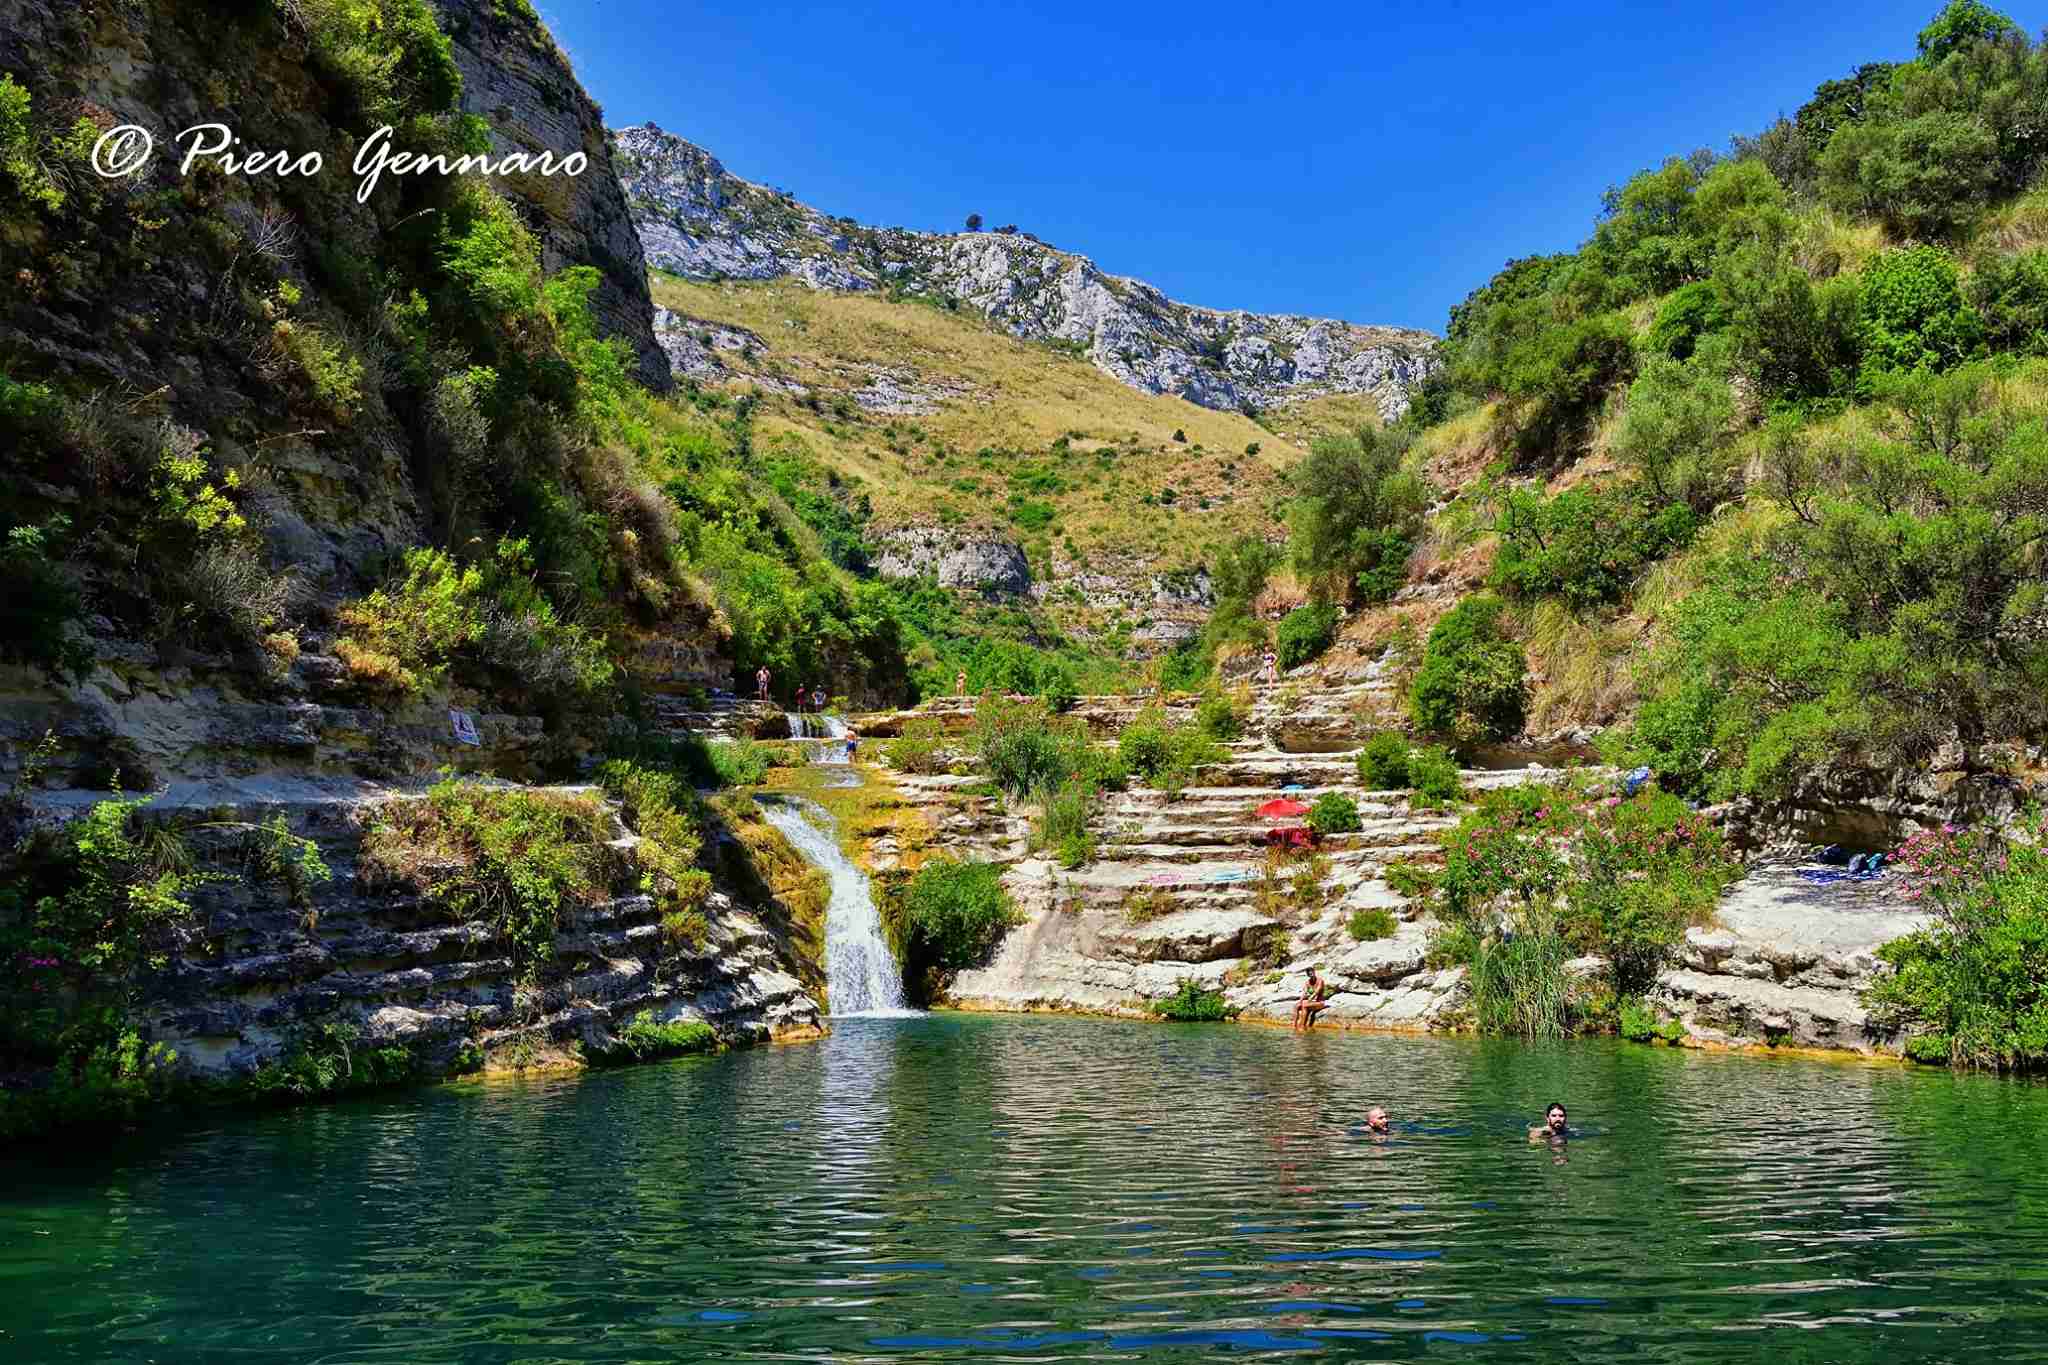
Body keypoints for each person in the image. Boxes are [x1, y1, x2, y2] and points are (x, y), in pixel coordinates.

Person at [1292, 966, 1330, 1031]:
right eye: (1309, 973)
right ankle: (1294, 1026)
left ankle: (1302, 1026)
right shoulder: (1308, 982)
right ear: (1308, 975)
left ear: (1314, 972)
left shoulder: (1320, 981)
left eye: (1311, 972)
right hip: (1312, 1002)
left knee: (1305, 1006)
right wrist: (1300, 1001)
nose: (1311, 974)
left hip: (1320, 1002)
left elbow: (1316, 992)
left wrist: (1309, 1000)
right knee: (1296, 1006)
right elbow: (1304, 993)